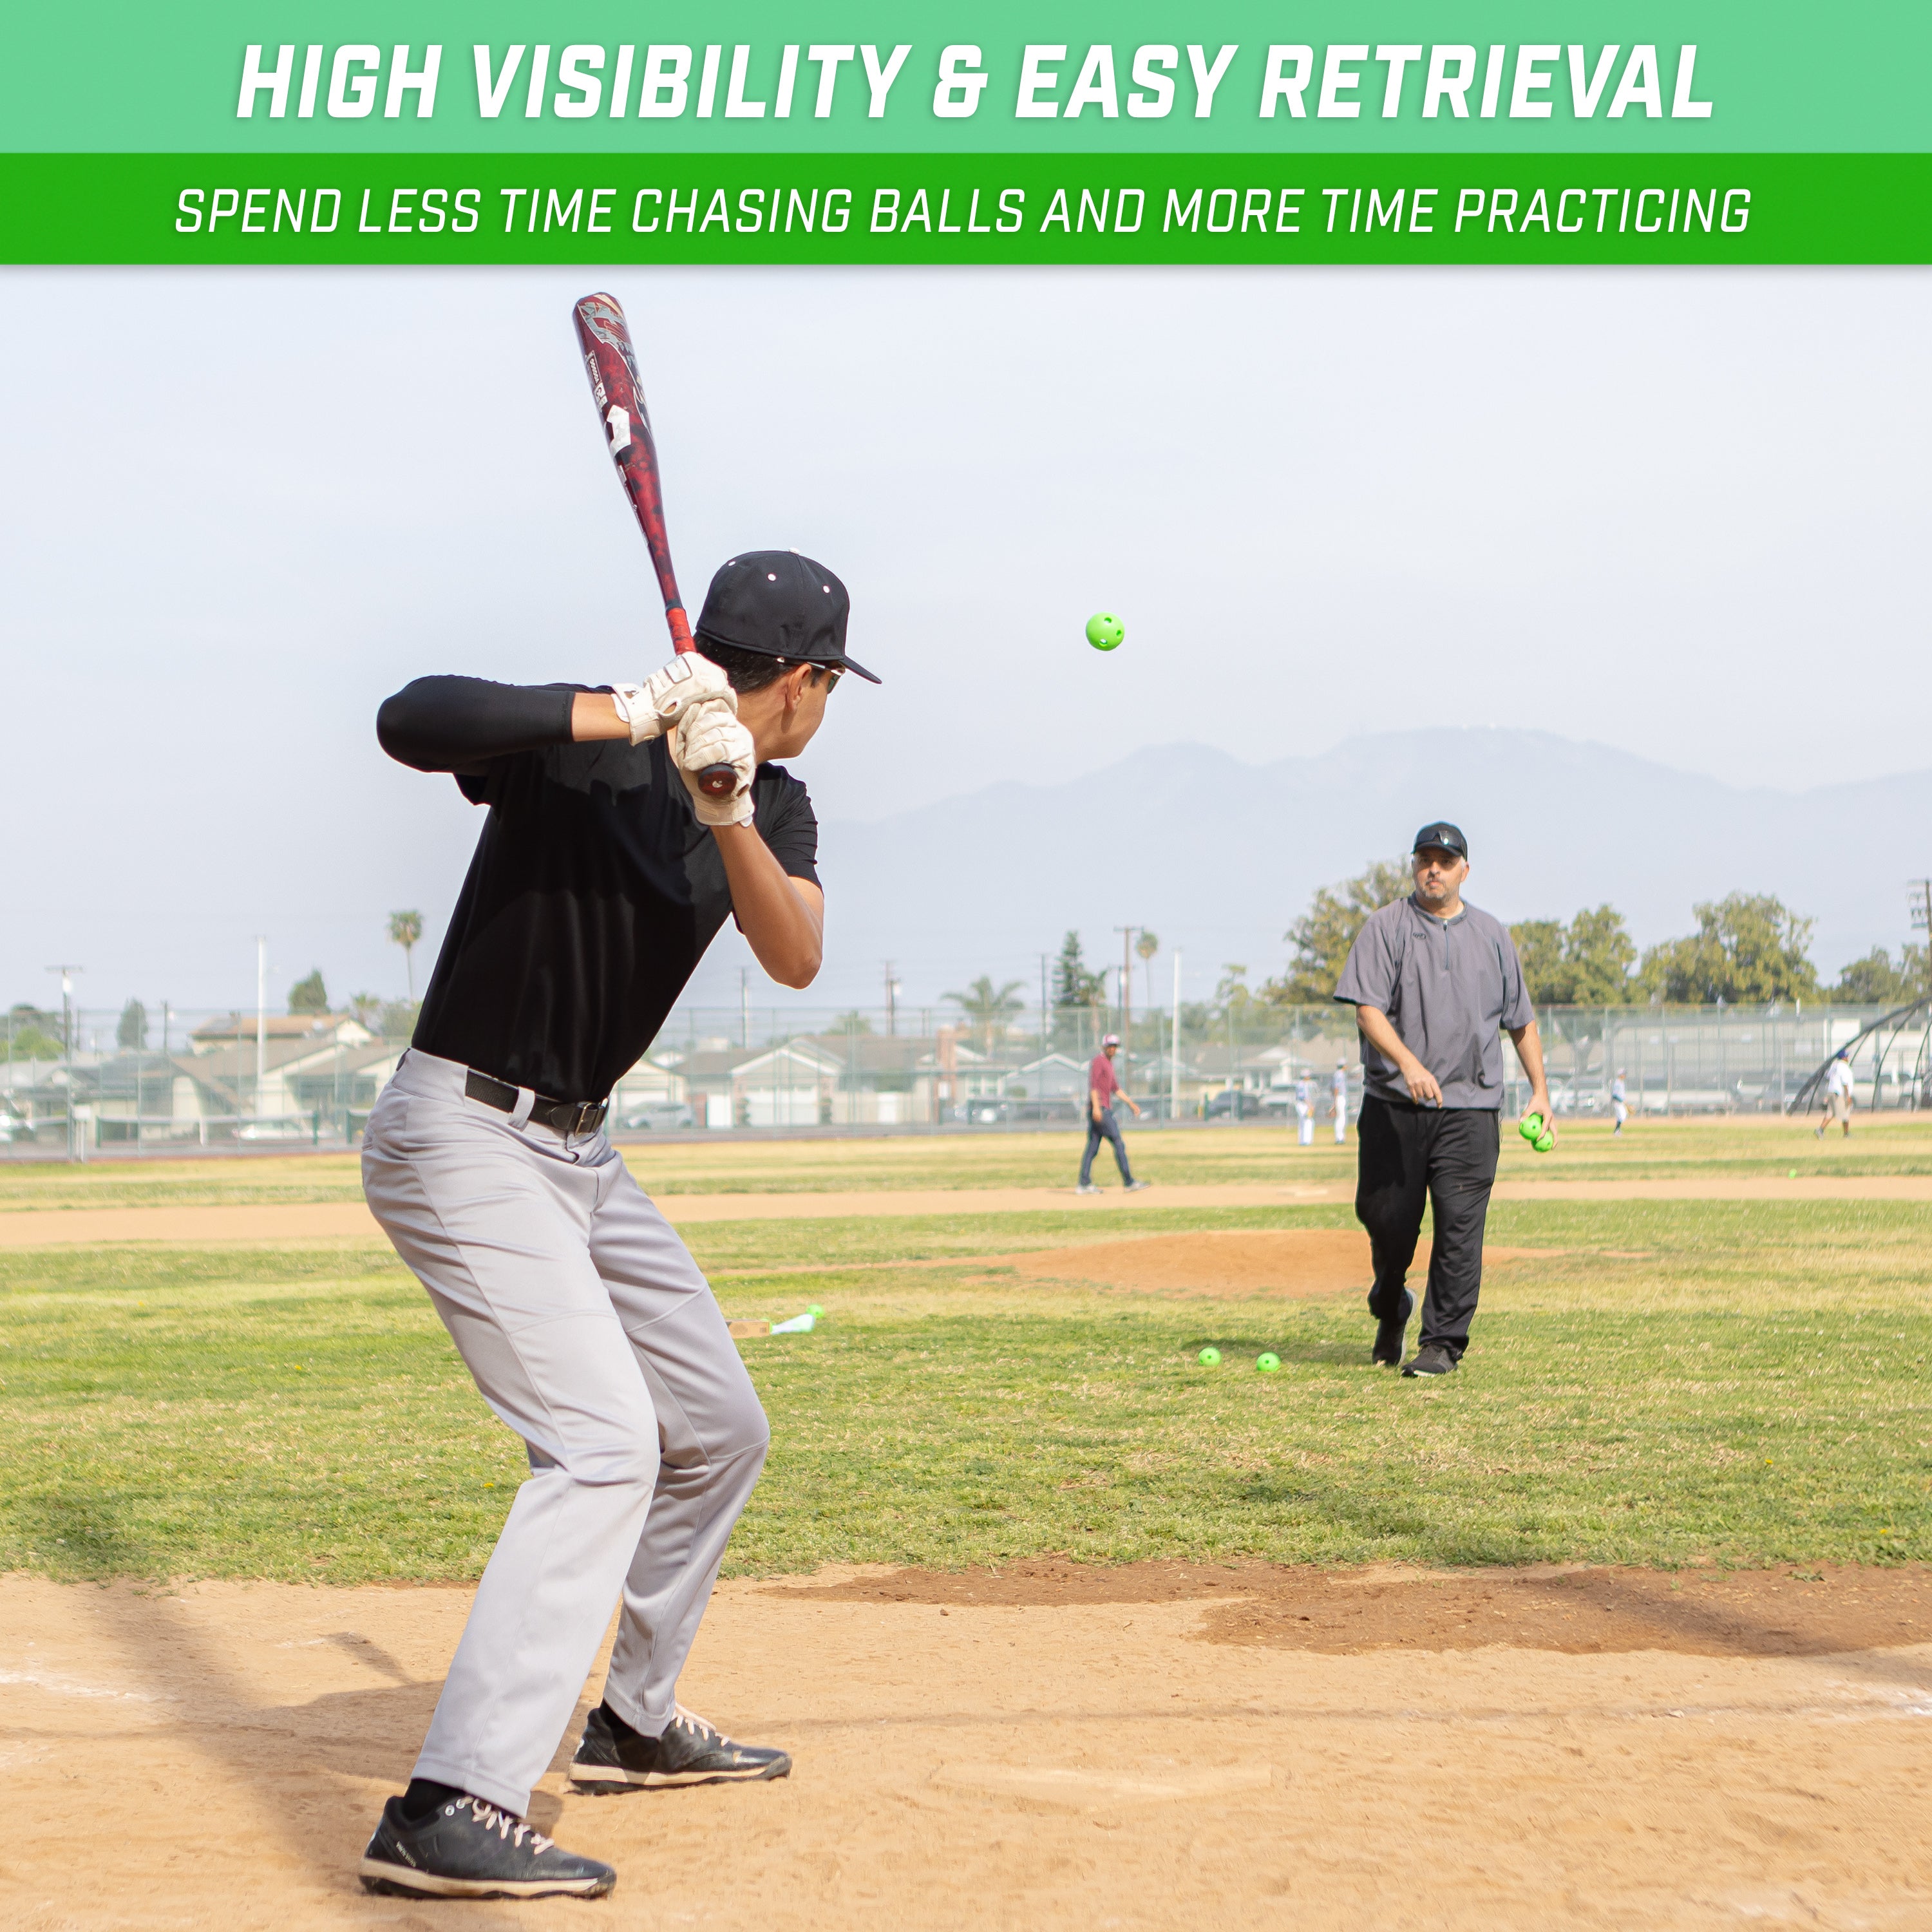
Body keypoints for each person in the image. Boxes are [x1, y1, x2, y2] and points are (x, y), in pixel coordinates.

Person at [355, 551, 876, 1900]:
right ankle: (450, 1804)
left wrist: (724, 807)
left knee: (719, 1429)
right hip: (459, 1128)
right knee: (602, 1445)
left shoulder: (777, 800)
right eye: (829, 687)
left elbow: (796, 951)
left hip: (579, 1151)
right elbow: (410, 717)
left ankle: (634, 1720)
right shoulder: (585, 741)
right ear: (806, 679)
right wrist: (623, 713)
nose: (825, 710)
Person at [1334, 822, 1554, 1378]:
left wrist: (1541, 1094)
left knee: (1460, 1227)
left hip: (1471, 1108)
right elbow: (1367, 1010)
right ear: (1414, 866)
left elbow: (1520, 1022)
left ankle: (1442, 1345)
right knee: (1388, 1224)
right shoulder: (1385, 928)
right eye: (1425, 858)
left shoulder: (1492, 935)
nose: (1434, 868)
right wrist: (1408, 1064)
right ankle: (1391, 1304)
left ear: (1464, 870)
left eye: (1446, 860)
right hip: (1394, 1108)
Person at [1077, 1033, 1149, 1193]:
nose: (1112, 1049)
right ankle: (1129, 1182)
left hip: (1101, 1109)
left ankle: (1084, 1183)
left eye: (1115, 1046)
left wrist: (1131, 1104)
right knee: (1118, 1142)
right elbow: (1094, 1086)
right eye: (1110, 1046)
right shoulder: (1099, 1062)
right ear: (1104, 1047)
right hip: (1100, 1110)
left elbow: (1115, 1088)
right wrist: (1096, 1107)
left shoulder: (1109, 1065)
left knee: (1093, 1147)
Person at [1817, 1049, 1855, 1139]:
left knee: (1830, 1113)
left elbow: (1828, 1077)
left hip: (1831, 1091)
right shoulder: (1844, 1067)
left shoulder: (1834, 1065)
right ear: (1844, 1058)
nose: (1848, 1058)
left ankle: (1820, 1130)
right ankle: (1846, 1134)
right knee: (1845, 1113)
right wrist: (1848, 1096)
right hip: (1840, 1093)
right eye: (1846, 1056)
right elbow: (1845, 1083)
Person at [1330, 1057, 1350, 1143]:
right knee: (1341, 1117)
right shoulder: (1340, 1074)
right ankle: (1340, 1138)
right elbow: (1336, 1088)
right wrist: (1335, 1100)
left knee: (1341, 1118)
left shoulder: (1337, 1074)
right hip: (1340, 1097)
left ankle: (1340, 1137)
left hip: (1339, 1097)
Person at [1295, 1070, 1316, 1146]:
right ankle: (1306, 1141)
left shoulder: (1303, 1084)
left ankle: (1302, 1140)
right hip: (1303, 1105)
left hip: (1303, 1104)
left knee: (1303, 1122)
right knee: (1308, 1121)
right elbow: (1304, 1097)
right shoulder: (1302, 1085)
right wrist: (1310, 1106)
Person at [1611, 1068, 1629, 1135]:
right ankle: (1617, 1131)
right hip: (1617, 1102)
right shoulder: (1617, 1083)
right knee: (1622, 1116)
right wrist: (1622, 1101)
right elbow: (1614, 1095)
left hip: (1620, 1102)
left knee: (1621, 1116)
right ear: (1620, 1075)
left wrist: (1624, 1101)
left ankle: (1617, 1131)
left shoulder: (1621, 1083)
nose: (1625, 1075)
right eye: (1623, 1074)